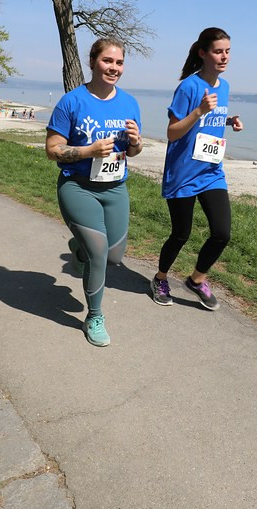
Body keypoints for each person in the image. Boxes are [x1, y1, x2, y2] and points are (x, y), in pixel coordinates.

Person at [46, 38, 142, 347]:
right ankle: (95, 316)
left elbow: (133, 150)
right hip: (78, 187)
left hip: (115, 188)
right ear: (93, 62)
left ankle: (78, 249)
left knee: (114, 256)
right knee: (99, 254)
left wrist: (137, 142)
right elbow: (52, 150)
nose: (114, 68)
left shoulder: (129, 103)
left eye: (119, 63)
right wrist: (88, 151)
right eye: (107, 61)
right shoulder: (72, 102)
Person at [151, 27, 243, 311]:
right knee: (181, 234)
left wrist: (229, 121)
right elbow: (173, 132)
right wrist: (199, 111)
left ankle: (196, 279)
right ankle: (160, 278)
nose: (224, 57)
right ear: (203, 53)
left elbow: (210, 121)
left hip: (211, 171)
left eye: (228, 51)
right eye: (218, 51)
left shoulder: (224, 86)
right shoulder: (188, 87)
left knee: (222, 233)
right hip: (183, 173)